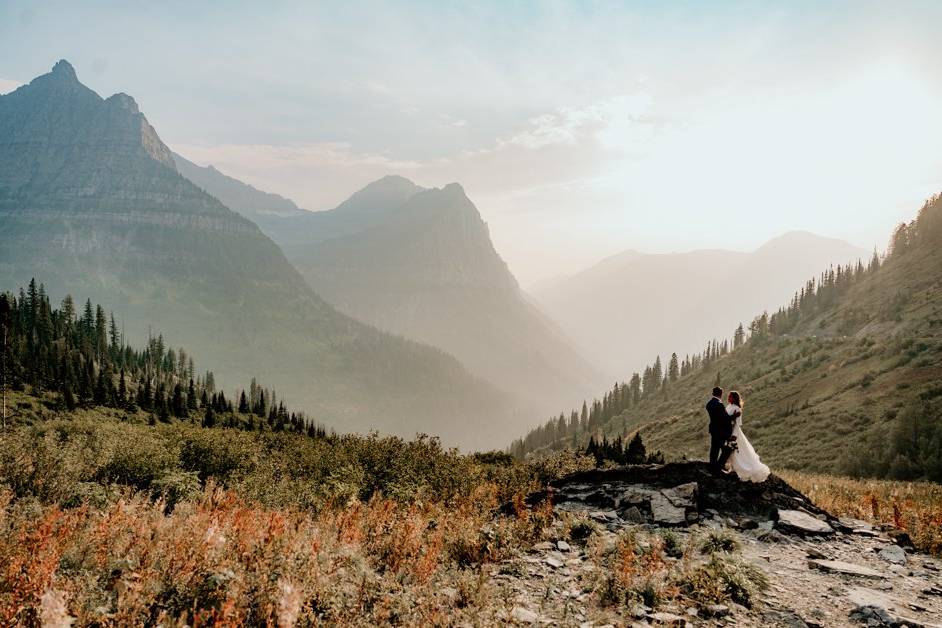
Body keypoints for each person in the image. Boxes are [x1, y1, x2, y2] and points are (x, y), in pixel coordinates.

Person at [725, 391, 770, 483]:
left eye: (730, 397)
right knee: (731, 451)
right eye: (728, 396)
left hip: (734, 433)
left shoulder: (737, 409)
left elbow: (737, 424)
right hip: (727, 432)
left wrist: (734, 435)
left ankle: (744, 470)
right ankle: (733, 469)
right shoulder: (728, 407)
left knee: (738, 451)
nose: (728, 398)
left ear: (734, 398)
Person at [705, 386, 736, 475]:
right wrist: (733, 416)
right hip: (721, 431)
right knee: (726, 449)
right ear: (721, 394)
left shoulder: (709, 404)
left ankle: (712, 466)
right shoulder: (719, 404)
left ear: (713, 393)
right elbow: (724, 418)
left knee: (714, 448)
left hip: (713, 429)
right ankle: (718, 467)